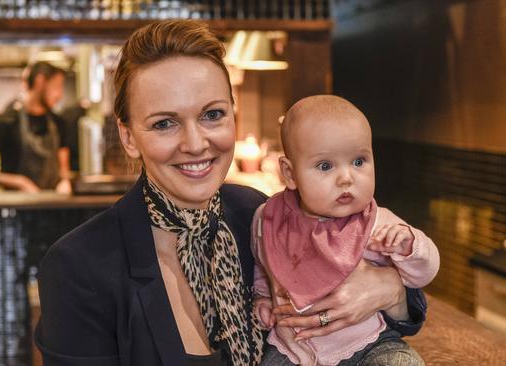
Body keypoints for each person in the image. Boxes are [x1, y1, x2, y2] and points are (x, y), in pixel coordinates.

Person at [35, 20, 427, 366]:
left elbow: (398, 306)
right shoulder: (77, 267)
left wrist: (389, 290)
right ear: (128, 137)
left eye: (212, 115)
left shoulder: (258, 213)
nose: (195, 143)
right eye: (165, 123)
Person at [252, 95, 440, 366]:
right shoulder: (268, 220)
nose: (346, 178)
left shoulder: (376, 223)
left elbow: (425, 272)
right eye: (325, 166)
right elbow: (265, 267)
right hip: (293, 349)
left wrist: (410, 246)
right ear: (290, 174)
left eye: (359, 161)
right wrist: (262, 299)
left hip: (368, 344)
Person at [0, 61, 71, 193]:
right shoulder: (5, 122)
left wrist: (65, 182)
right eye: (56, 87)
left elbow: (63, 169)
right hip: (15, 208)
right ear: (40, 82)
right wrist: (19, 182)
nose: (60, 95)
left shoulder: (59, 123)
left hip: (51, 206)